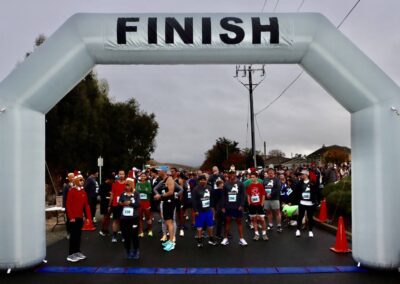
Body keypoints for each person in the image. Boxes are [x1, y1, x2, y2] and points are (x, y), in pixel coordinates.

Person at [66, 174, 91, 262]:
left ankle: (77, 251)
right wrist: (71, 217)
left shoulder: (83, 192)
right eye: (80, 180)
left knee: (78, 235)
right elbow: (68, 205)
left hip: (80, 217)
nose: (82, 182)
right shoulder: (71, 191)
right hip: (73, 217)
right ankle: (71, 254)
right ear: (76, 181)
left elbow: (86, 205)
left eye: (83, 180)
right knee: (73, 236)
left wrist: (88, 217)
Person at [221, 169, 247, 246]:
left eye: (233, 173)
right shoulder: (226, 184)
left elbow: (243, 195)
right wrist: (223, 206)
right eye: (230, 173)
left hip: (237, 206)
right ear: (228, 174)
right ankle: (225, 238)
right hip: (228, 206)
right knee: (228, 222)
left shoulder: (240, 184)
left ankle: (241, 239)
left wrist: (242, 205)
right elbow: (223, 196)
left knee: (239, 222)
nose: (231, 175)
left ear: (235, 174)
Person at [154, 168, 177, 252]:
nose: (158, 172)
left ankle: (171, 243)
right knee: (167, 222)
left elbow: (171, 192)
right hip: (165, 202)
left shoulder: (169, 179)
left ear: (163, 171)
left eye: (159, 171)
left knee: (169, 222)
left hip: (169, 203)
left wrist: (160, 196)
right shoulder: (163, 180)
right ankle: (170, 240)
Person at [192, 175, 217, 247]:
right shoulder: (195, 189)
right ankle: (199, 241)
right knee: (199, 227)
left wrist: (212, 208)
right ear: (199, 181)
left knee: (210, 225)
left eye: (204, 180)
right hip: (200, 211)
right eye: (201, 180)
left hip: (208, 210)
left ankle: (211, 239)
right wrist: (196, 210)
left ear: (206, 180)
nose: (203, 181)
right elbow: (194, 201)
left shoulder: (209, 187)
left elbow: (212, 198)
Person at [119, 178, 141, 259]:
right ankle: (127, 250)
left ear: (132, 185)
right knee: (126, 235)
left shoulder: (136, 194)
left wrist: (130, 203)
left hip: (134, 218)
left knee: (134, 235)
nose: (126, 187)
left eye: (128, 185)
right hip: (124, 218)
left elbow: (138, 204)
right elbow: (120, 202)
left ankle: (136, 250)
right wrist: (122, 203)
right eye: (126, 185)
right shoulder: (122, 194)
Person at [295, 169, 320, 238]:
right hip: (302, 202)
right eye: (301, 174)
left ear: (306, 175)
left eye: (302, 174)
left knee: (310, 217)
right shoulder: (299, 183)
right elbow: (296, 191)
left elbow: (316, 190)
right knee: (300, 216)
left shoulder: (312, 182)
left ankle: (310, 231)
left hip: (310, 203)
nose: (301, 175)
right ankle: (298, 230)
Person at [246, 172, 268, 241]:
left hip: (259, 205)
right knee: (254, 219)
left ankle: (264, 234)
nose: (252, 178)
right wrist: (249, 203)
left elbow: (263, 195)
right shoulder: (249, 186)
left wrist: (262, 204)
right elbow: (248, 195)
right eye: (251, 177)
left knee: (262, 219)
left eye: (253, 177)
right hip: (252, 205)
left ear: (256, 177)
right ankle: (256, 234)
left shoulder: (260, 185)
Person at [108, 170, 127, 242]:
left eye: (123, 174)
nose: (121, 175)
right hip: (116, 205)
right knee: (116, 221)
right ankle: (114, 235)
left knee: (124, 221)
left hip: (125, 205)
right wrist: (109, 205)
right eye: (120, 174)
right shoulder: (114, 184)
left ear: (125, 175)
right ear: (118, 175)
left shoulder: (127, 184)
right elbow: (112, 195)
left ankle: (123, 235)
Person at [263, 168, 283, 232]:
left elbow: (278, 188)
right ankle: (270, 225)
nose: (270, 173)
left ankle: (279, 226)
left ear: (274, 173)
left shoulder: (277, 180)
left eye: (272, 172)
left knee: (277, 212)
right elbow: (263, 188)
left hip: (275, 198)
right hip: (266, 198)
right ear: (267, 173)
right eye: (269, 172)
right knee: (268, 212)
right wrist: (266, 194)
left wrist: (270, 194)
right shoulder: (265, 179)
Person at [136, 172, 153, 237]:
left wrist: (142, 190)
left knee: (148, 217)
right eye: (141, 176)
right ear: (140, 177)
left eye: (144, 176)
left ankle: (150, 230)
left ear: (146, 177)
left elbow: (149, 191)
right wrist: (145, 190)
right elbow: (137, 191)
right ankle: (141, 231)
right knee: (139, 218)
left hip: (146, 202)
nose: (142, 177)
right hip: (140, 203)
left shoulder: (148, 183)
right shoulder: (138, 183)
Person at [62, 172, 74, 239]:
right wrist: (64, 207)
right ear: (69, 178)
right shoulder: (66, 186)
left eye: (73, 176)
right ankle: (68, 232)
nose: (73, 178)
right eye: (71, 177)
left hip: (75, 206)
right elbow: (64, 197)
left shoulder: (76, 185)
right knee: (69, 220)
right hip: (68, 206)